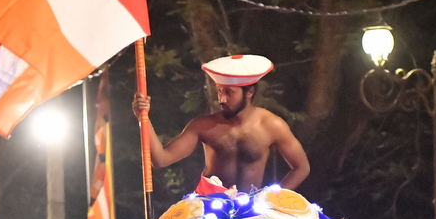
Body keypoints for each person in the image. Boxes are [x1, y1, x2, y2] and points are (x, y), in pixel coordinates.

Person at [132, 54, 310, 193]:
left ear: (249, 92)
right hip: (210, 206)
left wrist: (273, 198)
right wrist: (144, 119)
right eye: (219, 91)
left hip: (251, 208)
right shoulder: (203, 125)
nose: (222, 99)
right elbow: (161, 159)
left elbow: (301, 168)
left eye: (229, 92)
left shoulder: (272, 125)